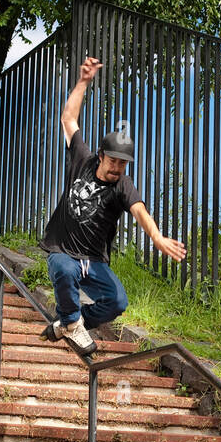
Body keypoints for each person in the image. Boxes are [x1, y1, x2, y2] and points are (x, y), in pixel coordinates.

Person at [38, 55, 186, 356]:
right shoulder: (82, 158)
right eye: (114, 160)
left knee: (116, 301)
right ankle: (70, 321)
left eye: (123, 163)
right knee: (65, 271)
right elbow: (68, 119)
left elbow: (139, 210)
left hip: (94, 259)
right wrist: (83, 81)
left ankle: (67, 323)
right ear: (101, 155)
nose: (118, 167)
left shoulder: (122, 185)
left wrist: (157, 238)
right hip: (62, 250)